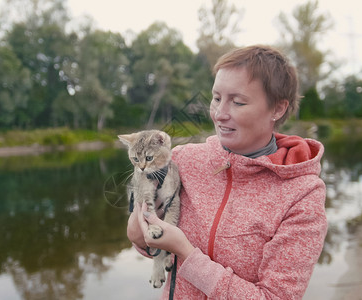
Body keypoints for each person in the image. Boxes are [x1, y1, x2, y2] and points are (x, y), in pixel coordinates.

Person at [127, 45, 327, 299]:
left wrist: (186, 254)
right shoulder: (183, 159)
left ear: (277, 109)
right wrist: (139, 231)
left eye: (238, 102)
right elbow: (147, 240)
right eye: (216, 98)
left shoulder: (302, 194)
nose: (220, 114)